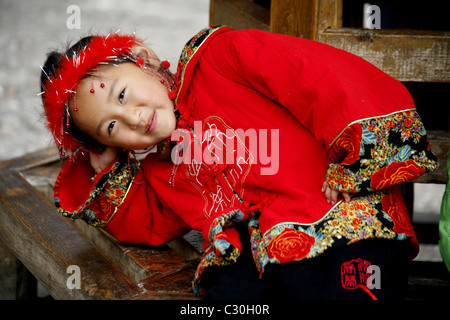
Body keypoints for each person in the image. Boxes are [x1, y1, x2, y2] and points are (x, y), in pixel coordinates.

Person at [40, 26, 438, 300]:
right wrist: (101, 167)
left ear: (143, 59)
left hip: (341, 213)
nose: (131, 119)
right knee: (226, 295)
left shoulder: (218, 58)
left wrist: (355, 156)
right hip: (262, 256)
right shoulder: (159, 163)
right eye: (111, 127)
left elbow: (315, 74)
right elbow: (145, 224)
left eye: (122, 95)